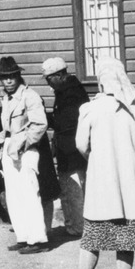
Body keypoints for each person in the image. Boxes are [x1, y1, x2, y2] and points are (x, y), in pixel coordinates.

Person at [65, 59, 135, 269]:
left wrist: (96, 160)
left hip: (101, 183)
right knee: (126, 236)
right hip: (131, 183)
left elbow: (81, 144)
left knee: (92, 236)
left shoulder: (90, 109)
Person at [0, 58, 50, 253]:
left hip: (26, 149)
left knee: (29, 192)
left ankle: (37, 240)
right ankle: (23, 236)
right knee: (14, 194)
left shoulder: (30, 96)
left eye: (12, 77)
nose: (8, 81)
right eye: (4, 78)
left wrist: (24, 143)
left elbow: (40, 124)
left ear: (18, 76)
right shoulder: (6, 99)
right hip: (9, 147)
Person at [42, 56, 89, 239]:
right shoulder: (65, 90)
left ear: (59, 75)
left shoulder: (71, 93)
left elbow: (67, 122)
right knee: (69, 189)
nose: (48, 83)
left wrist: (47, 119)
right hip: (67, 149)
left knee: (74, 189)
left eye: (49, 79)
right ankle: (73, 225)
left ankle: (78, 227)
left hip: (72, 150)